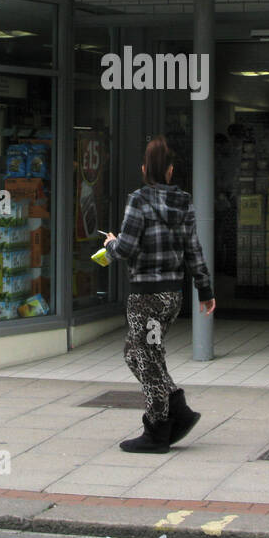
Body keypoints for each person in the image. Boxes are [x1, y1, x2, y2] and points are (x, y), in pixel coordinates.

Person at [103, 135, 215, 453]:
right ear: (169, 170)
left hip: (145, 297)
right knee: (136, 354)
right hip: (171, 296)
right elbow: (194, 250)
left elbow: (125, 248)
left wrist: (110, 243)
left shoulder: (138, 200)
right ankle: (176, 407)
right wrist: (204, 290)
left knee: (147, 360)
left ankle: (157, 429)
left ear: (144, 169)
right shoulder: (184, 202)